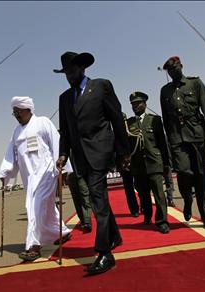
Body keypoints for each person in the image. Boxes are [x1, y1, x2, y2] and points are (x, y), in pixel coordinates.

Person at [54, 51, 131, 275]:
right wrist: (63, 154)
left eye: (72, 71)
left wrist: (124, 152)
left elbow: (116, 118)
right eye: (66, 72)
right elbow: (65, 130)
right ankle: (115, 236)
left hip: (100, 151)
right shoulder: (64, 98)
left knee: (97, 200)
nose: (69, 76)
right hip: (80, 158)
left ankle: (105, 253)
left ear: (82, 68)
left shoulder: (101, 86)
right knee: (99, 200)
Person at [0, 96, 72, 262]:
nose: (16, 115)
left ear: (28, 109)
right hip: (29, 177)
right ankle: (62, 232)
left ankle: (34, 245)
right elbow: (11, 156)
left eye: (18, 111)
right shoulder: (16, 132)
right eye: (14, 112)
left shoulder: (43, 122)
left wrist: (64, 169)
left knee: (34, 206)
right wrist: (5, 173)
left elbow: (57, 144)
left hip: (46, 173)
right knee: (45, 206)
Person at [160, 56, 205, 230]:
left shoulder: (195, 83)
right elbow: (165, 118)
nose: (173, 72)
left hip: (196, 134)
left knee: (201, 175)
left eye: (175, 68)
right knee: (184, 171)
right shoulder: (165, 91)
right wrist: (169, 140)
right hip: (177, 138)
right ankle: (187, 199)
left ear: (181, 66)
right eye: (169, 70)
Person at [126, 91, 172, 233]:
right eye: (133, 104)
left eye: (138, 103)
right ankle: (147, 215)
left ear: (145, 104)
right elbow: (127, 145)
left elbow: (162, 143)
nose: (136, 106)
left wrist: (166, 162)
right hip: (138, 165)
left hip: (154, 162)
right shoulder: (129, 123)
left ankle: (162, 221)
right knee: (143, 193)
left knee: (159, 194)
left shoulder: (155, 120)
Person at [120, 113, 140, 217]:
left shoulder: (133, 130)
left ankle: (144, 206)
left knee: (140, 185)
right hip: (123, 164)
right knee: (128, 188)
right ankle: (134, 209)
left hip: (135, 161)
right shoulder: (115, 132)